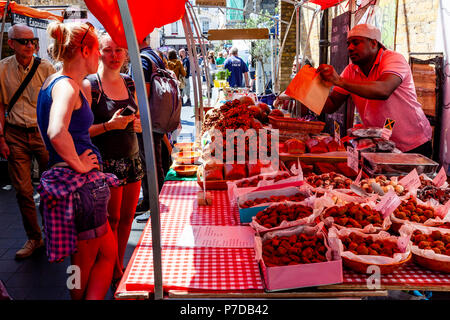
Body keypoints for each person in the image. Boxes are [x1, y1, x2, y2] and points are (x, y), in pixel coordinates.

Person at [36, 21, 116, 300]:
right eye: (97, 51)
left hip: (65, 183)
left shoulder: (52, 82)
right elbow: (56, 131)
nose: (99, 57)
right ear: (84, 50)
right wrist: (80, 164)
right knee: (99, 258)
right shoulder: (68, 87)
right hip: (81, 186)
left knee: (81, 262)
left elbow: (50, 131)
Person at [83, 32, 144, 287]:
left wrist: (137, 123)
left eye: (119, 50)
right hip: (105, 163)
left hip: (132, 158)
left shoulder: (130, 83)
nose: (115, 56)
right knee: (112, 219)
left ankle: (120, 261)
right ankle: (114, 268)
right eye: (108, 50)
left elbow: (138, 116)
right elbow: (82, 131)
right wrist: (109, 125)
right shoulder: (90, 86)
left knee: (128, 216)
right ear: (99, 53)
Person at [317, 24, 432, 156]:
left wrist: (339, 81)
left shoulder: (393, 59)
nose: (350, 48)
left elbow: (383, 90)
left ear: (373, 43)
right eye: (348, 44)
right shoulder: (351, 70)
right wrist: (308, 92)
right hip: (380, 146)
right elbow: (331, 104)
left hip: (412, 144)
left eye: (356, 43)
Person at [0, 24, 55, 259]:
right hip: (14, 134)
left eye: (32, 41)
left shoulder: (46, 67)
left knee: (51, 187)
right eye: (23, 41)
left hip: (42, 132)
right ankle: (34, 237)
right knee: (23, 191)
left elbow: (57, 101)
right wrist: (1, 137)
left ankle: (53, 232)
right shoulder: (2, 69)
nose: (30, 45)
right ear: (11, 43)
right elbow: (0, 106)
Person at [133, 36, 172, 222]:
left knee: (150, 164)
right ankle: (149, 200)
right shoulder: (155, 55)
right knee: (154, 162)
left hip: (148, 119)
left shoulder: (141, 59)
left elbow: (143, 94)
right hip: (159, 117)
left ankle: (155, 207)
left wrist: (138, 119)